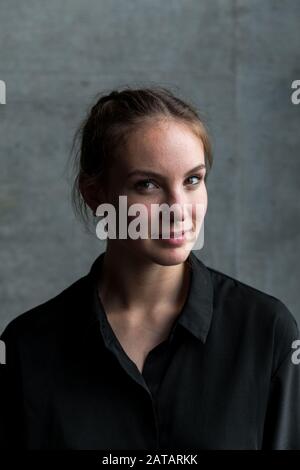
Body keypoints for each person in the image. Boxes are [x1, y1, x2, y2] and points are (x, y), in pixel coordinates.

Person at [0, 87, 299, 450]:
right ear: (96, 195)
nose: (179, 209)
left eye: (193, 180)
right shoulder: (26, 348)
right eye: (148, 185)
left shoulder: (266, 332)